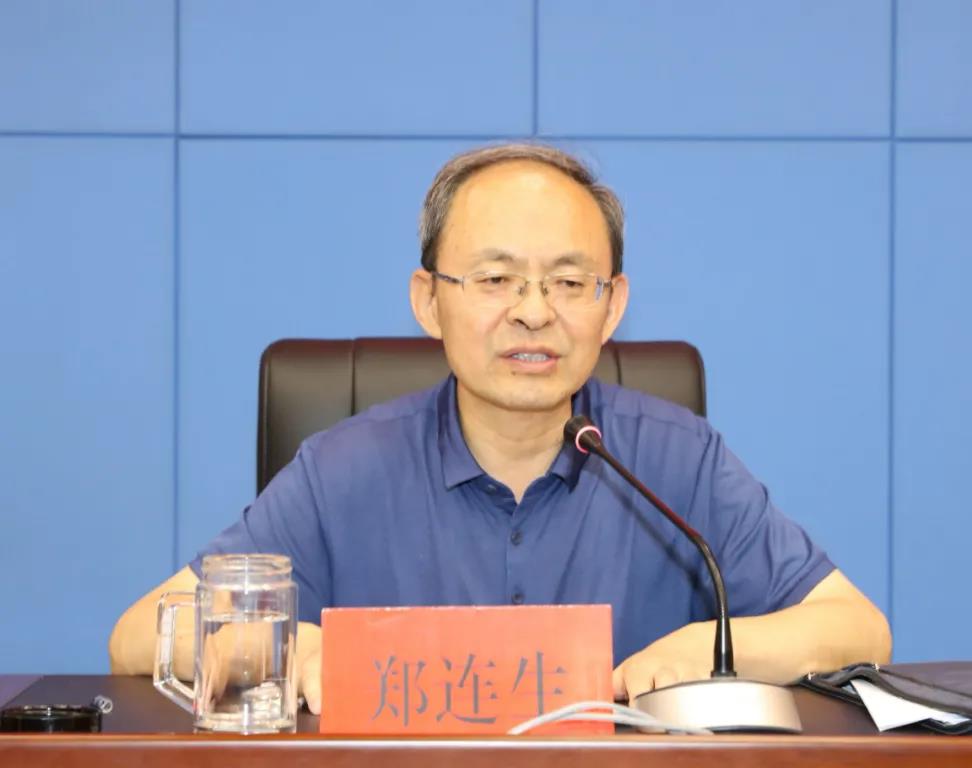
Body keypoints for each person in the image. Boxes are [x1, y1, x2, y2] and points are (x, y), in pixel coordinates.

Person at [110, 143, 891, 713]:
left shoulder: (677, 462)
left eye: (569, 281)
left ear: (612, 306)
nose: (533, 311)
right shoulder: (343, 471)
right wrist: (290, 645)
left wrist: (712, 649)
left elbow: (859, 630)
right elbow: (138, 636)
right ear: (429, 300)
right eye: (495, 278)